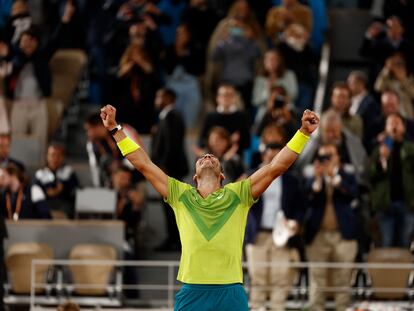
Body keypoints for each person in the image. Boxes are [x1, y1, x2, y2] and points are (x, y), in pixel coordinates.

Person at [100, 104, 319, 311]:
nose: (207, 156)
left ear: (222, 175)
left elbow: (275, 167)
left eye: (213, 158)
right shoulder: (180, 194)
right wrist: (115, 129)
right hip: (192, 291)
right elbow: (143, 164)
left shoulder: (239, 194)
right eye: (202, 157)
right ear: (194, 177)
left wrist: (303, 133)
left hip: (230, 291)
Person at [245, 142, 305, 311]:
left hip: (282, 235)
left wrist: (295, 223)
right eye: (269, 154)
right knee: (258, 278)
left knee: (281, 278)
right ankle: (257, 308)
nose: (272, 158)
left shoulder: (292, 180)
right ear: (263, 156)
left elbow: (300, 207)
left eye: (276, 155)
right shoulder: (252, 175)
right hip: (258, 234)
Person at [304, 143, 359, 311]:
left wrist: (334, 178)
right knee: (317, 280)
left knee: (343, 279)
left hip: (343, 236)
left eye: (330, 156)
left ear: (338, 158)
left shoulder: (347, 176)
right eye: (322, 157)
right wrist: (319, 180)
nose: (326, 160)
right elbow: (306, 199)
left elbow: (353, 195)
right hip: (318, 235)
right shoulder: (312, 178)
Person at [151, 88, 188, 251]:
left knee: (172, 206)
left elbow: (172, 144)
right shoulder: (166, 116)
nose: (157, 99)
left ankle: (176, 240)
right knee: (169, 205)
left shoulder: (172, 116)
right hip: (167, 168)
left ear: (169, 98)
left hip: (170, 169)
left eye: (160, 96)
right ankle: (173, 238)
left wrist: (164, 167)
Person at [369, 113, 414, 247]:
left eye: (397, 123)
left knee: (405, 242)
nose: (394, 126)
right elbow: (371, 175)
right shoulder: (378, 150)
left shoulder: (411, 149)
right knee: (386, 243)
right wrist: (382, 159)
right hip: (385, 205)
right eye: (390, 123)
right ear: (385, 128)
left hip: (407, 204)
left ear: (403, 128)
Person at [33, 143, 79, 219]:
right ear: (47, 156)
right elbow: (35, 194)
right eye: (52, 155)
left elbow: (74, 191)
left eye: (58, 155)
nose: (55, 158)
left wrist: (61, 190)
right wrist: (47, 193)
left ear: (63, 157)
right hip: (45, 206)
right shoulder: (40, 174)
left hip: (64, 207)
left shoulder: (69, 172)